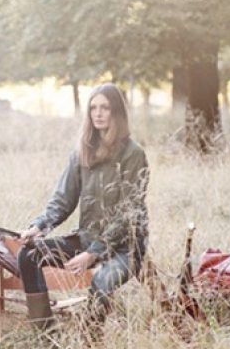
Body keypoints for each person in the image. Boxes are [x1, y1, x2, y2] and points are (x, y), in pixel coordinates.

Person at [16, 83, 149, 334]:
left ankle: (90, 341)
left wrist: (94, 253)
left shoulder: (134, 154)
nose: (97, 113)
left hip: (126, 246)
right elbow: (63, 200)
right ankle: (45, 334)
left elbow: (128, 213)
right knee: (29, 255)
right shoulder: (82, 152)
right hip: (88, 239)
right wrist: (39, 226)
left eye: (105, 108)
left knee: (101, 280)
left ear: (117, 112)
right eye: (93, 108)